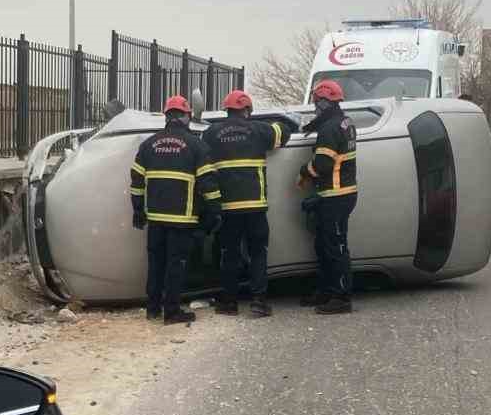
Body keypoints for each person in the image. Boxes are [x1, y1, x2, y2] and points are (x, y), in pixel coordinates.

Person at [200, 88, 293, 317]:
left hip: (227, 208)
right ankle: (259, 302)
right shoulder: (259, 130)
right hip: (255, 207)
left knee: (229, 254)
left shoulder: (211, 134)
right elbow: (284, 132)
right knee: (258, 253)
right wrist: (276, 122)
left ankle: (229, 302)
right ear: (247, 110)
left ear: (227, 110)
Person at [130, 95, 221, 325]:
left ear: (167, 116)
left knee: (156, 263)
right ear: (186, 116)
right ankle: (171, 312)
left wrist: (138, 210)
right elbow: (208, 184)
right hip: (183, 218)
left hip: (155, 218)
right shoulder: (196, 145)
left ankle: (152, 309)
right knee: (176, 265)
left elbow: (136, 181)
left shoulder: (148, 145)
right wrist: (213, 213)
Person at [298, 79, 358, 314]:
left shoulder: (330, 128)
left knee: (335, 247)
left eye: (316, 103)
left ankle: (341, 297)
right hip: (338, 194)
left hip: (336, 195)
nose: (315, 107)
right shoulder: (343, 122)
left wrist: (304, 171)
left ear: (324, 102)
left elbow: (322, 164)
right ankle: (326, 290)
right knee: (323, 244)